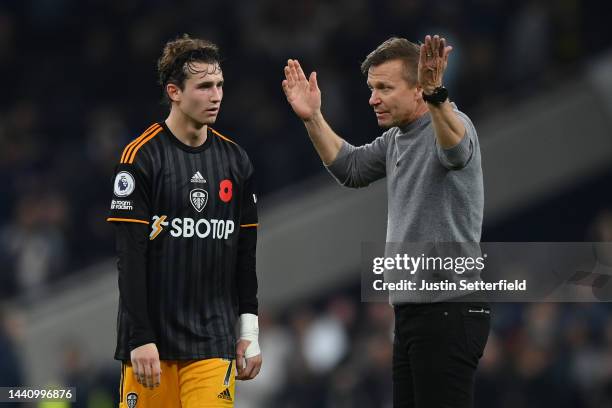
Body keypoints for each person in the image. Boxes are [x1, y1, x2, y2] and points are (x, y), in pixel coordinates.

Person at [282, 35, 490, 408]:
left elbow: (456, 152)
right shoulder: (397, 138)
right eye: (371, 88)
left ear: (418, 91)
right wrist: (313, 117)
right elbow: (351, 168)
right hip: (414, 313)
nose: (372, 98)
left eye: (384, 88)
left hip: (449, 309)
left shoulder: (454, 123)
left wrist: (437, 95)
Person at [107, 34, 262, 407]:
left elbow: (245, 255)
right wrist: (140, 338)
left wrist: (250, 332)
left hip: (213, 344)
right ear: (175, 91)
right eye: (205, 86)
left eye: (220, 85)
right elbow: (130, 258)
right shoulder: (140, 157)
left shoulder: (235, 161)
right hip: (152, 347)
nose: (216, 95)